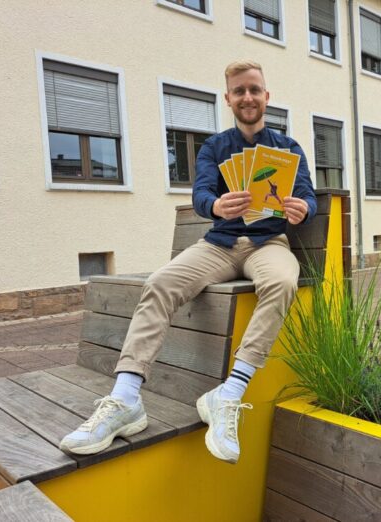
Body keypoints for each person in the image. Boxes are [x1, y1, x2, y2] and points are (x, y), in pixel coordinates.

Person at [60, 60, 317, 464]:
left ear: (266, 96)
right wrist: (215, 204)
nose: (247, 97)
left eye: (254, 89)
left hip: (268, 243)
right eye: (239, 91)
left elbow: (308, 195)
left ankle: (228, 394)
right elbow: (200, 195)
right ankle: (126, 398)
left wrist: (304, 208)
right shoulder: (215, 147)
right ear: (228, 98)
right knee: (160, 283)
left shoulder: (288, 148)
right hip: (218, 244)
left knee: (283, 282)